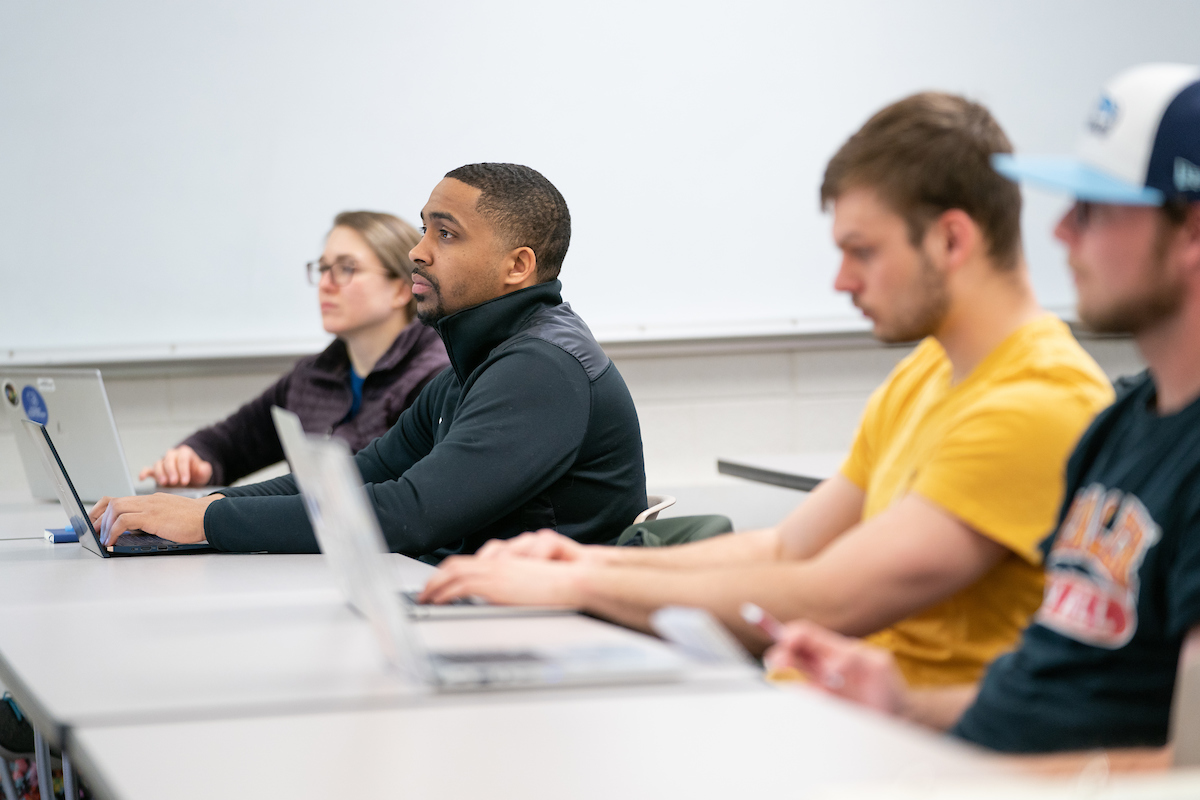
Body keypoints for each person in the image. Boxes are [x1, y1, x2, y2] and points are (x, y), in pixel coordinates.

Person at [420, 93, 1116, 688]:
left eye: (862, 250)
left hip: (905, 750)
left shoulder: (1035, 400)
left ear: (951, 241)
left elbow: (829, 594)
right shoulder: (930, 372)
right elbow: (785, 550)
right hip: (816, 710)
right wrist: (581, 558)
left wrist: (578, 586)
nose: (841, 280)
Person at [763, 63, 1200, 763]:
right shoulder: (1118, 431)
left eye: (1095, 209)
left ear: (1191, 232)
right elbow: (1048, 691)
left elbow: (1183, 766)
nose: (1060, 233)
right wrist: (902, 703)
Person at [90, 164, 648, 561]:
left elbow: (412, 511)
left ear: (517, 266)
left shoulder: (541, 368)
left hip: (542, 638)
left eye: (446, 233)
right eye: (425, 227)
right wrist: (197, 507)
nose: (418, 250)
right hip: (478, 608)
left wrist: (206, 521)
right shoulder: (477, 365)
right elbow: (359, 475)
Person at [140, 211, 449, 488]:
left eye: (345, 268)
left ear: (399, 289)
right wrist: (192, 459)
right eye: (323, 268)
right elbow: (230, 442)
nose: (325, 284)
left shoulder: (437, 375)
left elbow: (396, 493)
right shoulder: (313, 374)